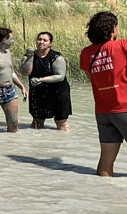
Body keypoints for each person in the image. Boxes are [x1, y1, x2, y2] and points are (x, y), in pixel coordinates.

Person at [79, 11, 127, 177]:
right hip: (124, 106)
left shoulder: (86, 53)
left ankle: (104, 194)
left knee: (106, 160)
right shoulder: (122, 45)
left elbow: (92, 80)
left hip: (103, 111)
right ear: (113, 29)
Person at [19, 31, 72, 131]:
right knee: (37, 122)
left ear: (50, 43)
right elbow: (25, 73)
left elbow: (60, 76)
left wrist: (41, 80)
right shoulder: (28, 56)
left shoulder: (56, 57)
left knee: (61, 122)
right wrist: (30, 58)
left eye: (45, 40)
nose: (41, 42)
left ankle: (64, 144)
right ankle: (38, 144)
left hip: (58, 92)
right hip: (38, 92)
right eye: (39, 39)